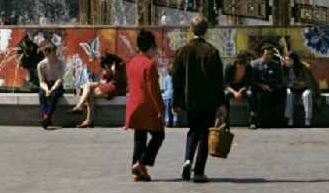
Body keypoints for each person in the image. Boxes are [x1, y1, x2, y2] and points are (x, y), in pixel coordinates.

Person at [171, 13, 226, 184]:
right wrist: (221, 103)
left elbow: (176, 79)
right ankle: (199, 171)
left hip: (190, 100)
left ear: (191, 29)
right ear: (206, 31)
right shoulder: (212, 51)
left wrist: (176, 102)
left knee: (193, 130)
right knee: (204, 134)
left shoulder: (182, 51)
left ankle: (187, 160)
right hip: (208, 100)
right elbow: (218, 81)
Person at [125, 30, 165, 182]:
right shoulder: (150, 65)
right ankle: (141, 163)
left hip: (134, 106)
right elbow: (154, 90)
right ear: (151, 46)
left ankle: (138, 172)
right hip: (147, 107)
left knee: (140, 138)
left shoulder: (133, 62)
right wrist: (161, 109)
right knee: (159, 135)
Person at [70, 52, 126, 128]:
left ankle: (88, 119)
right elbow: (104, 80)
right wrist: (106, 74)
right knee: (87, 85)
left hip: (116, 87)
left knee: (89, 94)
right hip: (108, 84)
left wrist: (111, 71)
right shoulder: (110, 66)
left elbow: (119, 79)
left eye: (106, 65)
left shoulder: (120, 64)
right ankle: (80, 107)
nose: (105, 67)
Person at [250, 44, 283, 128]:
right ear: (262, 54)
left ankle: (275, 120)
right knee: (260, 96)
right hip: (258, 87)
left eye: (270, 54)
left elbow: (278, 78)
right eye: (266, 54)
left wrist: (273, 86)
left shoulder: (275, 64)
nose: (268, 56)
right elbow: (252, 80)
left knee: (280, 92)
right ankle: (256, 121)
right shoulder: (254, 64)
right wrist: (261, 85)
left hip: (271, 86)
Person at [283, 51, 319, 127]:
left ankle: (307, 119)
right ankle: (290, 118)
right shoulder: (283, 68)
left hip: (304, 88)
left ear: (294, 60)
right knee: (288, 93)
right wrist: (291, 84)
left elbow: (308, 82)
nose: (287, 62)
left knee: (307, 94)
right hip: (292, 88)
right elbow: (284, 81)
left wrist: (298, 84)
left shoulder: (303, 67)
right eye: (286, 60)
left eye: (289, 60)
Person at [37, 43, 66, 129]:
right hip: (46, 85)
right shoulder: (41, 64)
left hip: (57, 85)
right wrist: (46, 90)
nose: (55, 54)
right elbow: (41, 82)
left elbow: (60, 79)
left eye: (55, 51)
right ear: (47, 53)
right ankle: (47, 118)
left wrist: (53, 88)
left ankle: (46, 117)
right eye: (53, 52)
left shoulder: (60, 63)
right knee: (41, 95)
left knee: (53, 95)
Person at [223, 51, 253, 125]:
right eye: (248, 60)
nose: (250, 62)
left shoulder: (248, 68)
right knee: (225, 95)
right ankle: (225, 121)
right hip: (231, 88)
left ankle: (252, 120)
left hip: (242, 87)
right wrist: (234, 92)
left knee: (250, 94)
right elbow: (225, 83)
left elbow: (248, 83)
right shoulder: (229, 67)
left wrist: (241, 90)